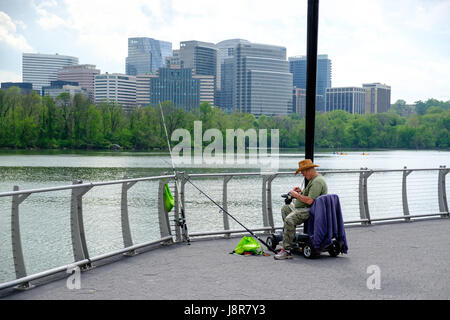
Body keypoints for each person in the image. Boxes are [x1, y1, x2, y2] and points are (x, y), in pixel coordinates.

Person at [274, 159, 328, 260]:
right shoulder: (314, 180)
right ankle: (290, 237)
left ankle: (287, 250)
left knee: (289, 219)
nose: (303, 175)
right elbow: (310, 196)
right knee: (285, 208)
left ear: (308, 170)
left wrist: (296, 195)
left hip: (309, 210)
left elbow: (310, 201)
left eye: (303, 172)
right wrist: (301, 192)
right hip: (303, 208)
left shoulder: (317, 181)